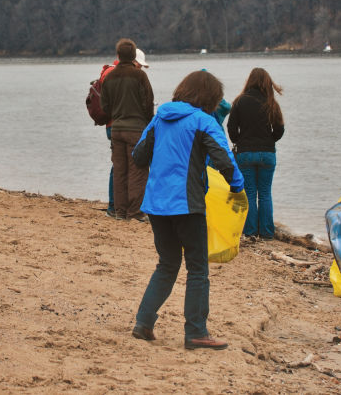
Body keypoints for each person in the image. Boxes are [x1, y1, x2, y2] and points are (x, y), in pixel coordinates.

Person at [131, 70, 245, 350]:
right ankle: (196, 331)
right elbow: (225, 160)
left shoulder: (159, 118)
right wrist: (237, 187)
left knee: (167, 264)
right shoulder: (203, 121)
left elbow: (138, 156)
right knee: (197, 268)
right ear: (210, 99)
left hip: (156, 206)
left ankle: (143, 323)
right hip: (187, 205)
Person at [226, 68, 284, 239]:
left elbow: (231, 127)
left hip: (245, 153)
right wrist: (270, 140)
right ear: (267, 83)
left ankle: (250, 232)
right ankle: (266, 232)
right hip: (267, 153)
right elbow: (280, 129)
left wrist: (238, 140)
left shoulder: (239, 101)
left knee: (250, 193)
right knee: (265, 193)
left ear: (249, 81)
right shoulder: (271, 102)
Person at [100, 39, 154, 221]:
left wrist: (116, 114)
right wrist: (147, 122)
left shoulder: (110, 77)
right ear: (133, 56)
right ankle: (136, 212)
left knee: (120, 171)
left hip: (116, 129)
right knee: (138, 170)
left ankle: (120, 212)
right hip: (136, 129)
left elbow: (105, 106)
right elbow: (148, 104)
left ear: (118, 55)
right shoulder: (140, 77)